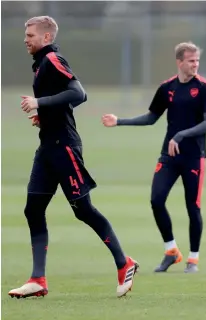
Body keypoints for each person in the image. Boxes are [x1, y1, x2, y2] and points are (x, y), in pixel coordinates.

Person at [8, 16, 138, 299]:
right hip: (48, 147)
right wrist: (44, 116)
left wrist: (39, 103)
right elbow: (62, 100)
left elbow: (79, 93)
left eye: (30, 34)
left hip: (64, 147)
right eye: (25, 34)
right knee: (33, 209)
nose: (26, 39)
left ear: (46, 38)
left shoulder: (53, 59)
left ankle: (124, 263)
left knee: (83, 209)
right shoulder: (40, 63)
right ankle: (37, 279)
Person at [102, 42, 206, 273]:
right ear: (179, 62)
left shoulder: (205, 87)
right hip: (169, 154)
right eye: (191, 61)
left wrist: (181, 134)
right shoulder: (167, 88)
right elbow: (151, 117)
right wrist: (119, 121)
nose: (195, 64)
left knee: (192, 207)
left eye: (197, 60)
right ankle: (171, 251)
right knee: (156, 200)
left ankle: (193, 259)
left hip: (194, 156)